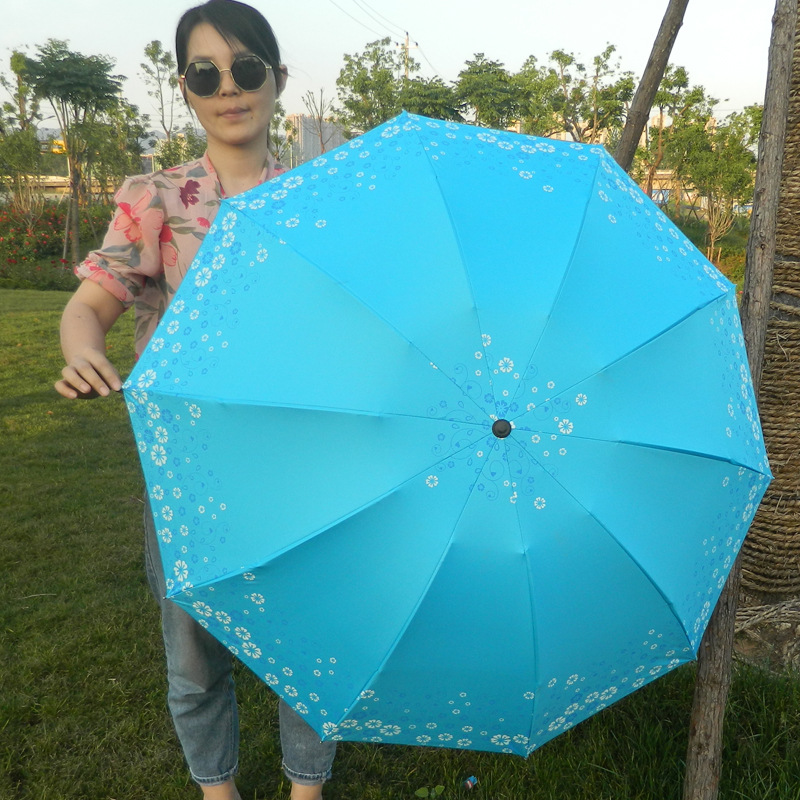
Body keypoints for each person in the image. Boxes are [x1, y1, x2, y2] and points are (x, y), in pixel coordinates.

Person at [54, 2, 337, 798]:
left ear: (278, 79)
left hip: (300, 460)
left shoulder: (316, 197)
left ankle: (306, 788)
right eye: (205, 74)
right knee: (192, 648)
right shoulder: (157, 197)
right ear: (185, 88)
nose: (229, 88)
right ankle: (218, 791)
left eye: (247, 68)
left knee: (306, 638)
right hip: (188, 467)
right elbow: (88, 307)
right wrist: (82, 350)